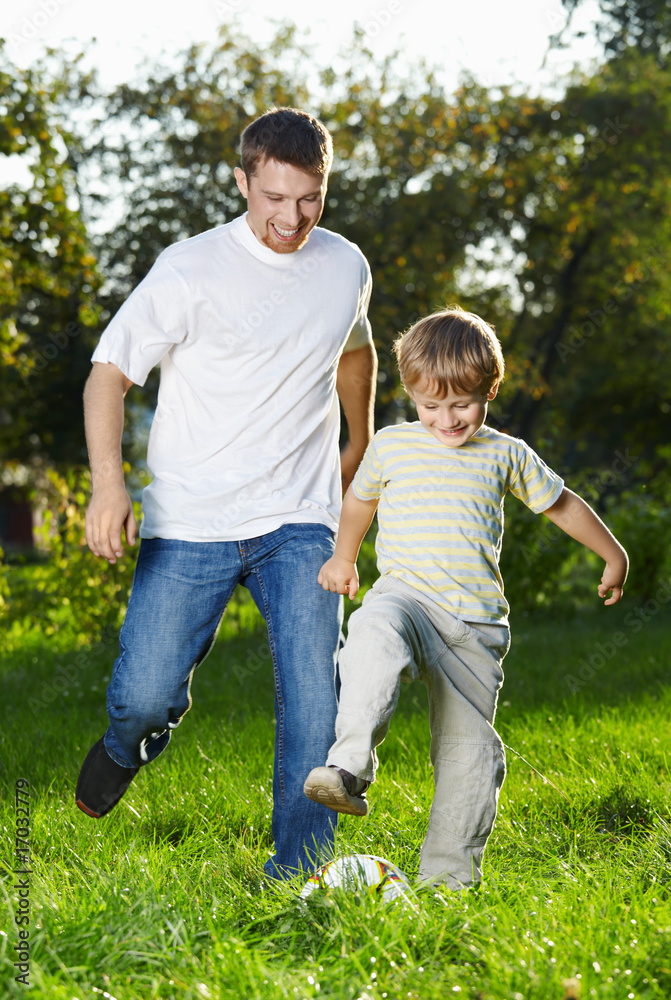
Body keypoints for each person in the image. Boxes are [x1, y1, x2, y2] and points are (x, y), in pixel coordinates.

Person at [75, 107, 377, 881]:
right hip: (190, 520)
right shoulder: (190, 267)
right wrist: (108, 485)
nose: (291, 217)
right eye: (273, 196)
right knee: (142, 694)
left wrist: (359, 443)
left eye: (309, 197)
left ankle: (299, 873)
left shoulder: (345, 265)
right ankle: (125, 744)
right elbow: (109, 372)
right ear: (242, 181)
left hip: (299, 520)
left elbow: (355, 345)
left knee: (316, 695)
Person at [304, 306, 628, 889]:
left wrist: (613, 554)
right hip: (403, 598)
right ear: (411, 394)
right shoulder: (391, 445)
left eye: (462, 404)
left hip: (475, 630)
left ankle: (448, 881)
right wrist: (344, 557)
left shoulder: (505, 453)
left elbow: (562, 504)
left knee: (471, 755)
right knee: (371, 636)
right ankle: (348, 766)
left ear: (490, 389)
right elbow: (358, 502)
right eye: (431, 405)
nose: (446, 419)